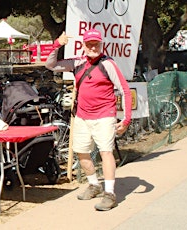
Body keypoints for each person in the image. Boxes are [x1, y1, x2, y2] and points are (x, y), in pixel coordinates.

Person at [45, 29, 132, 211]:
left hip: (105, 116)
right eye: (89, 44)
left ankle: (110, 194)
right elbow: (50, 65)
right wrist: (57, 44)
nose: (93, 47)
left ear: (101, 45)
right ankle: (94, 185)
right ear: (83, 46)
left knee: (106, 152)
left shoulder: (108, 64)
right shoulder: (77, 63)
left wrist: (126, 119)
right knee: (81, 152)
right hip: (82, 117)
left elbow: (124, 89)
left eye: (96, 44)